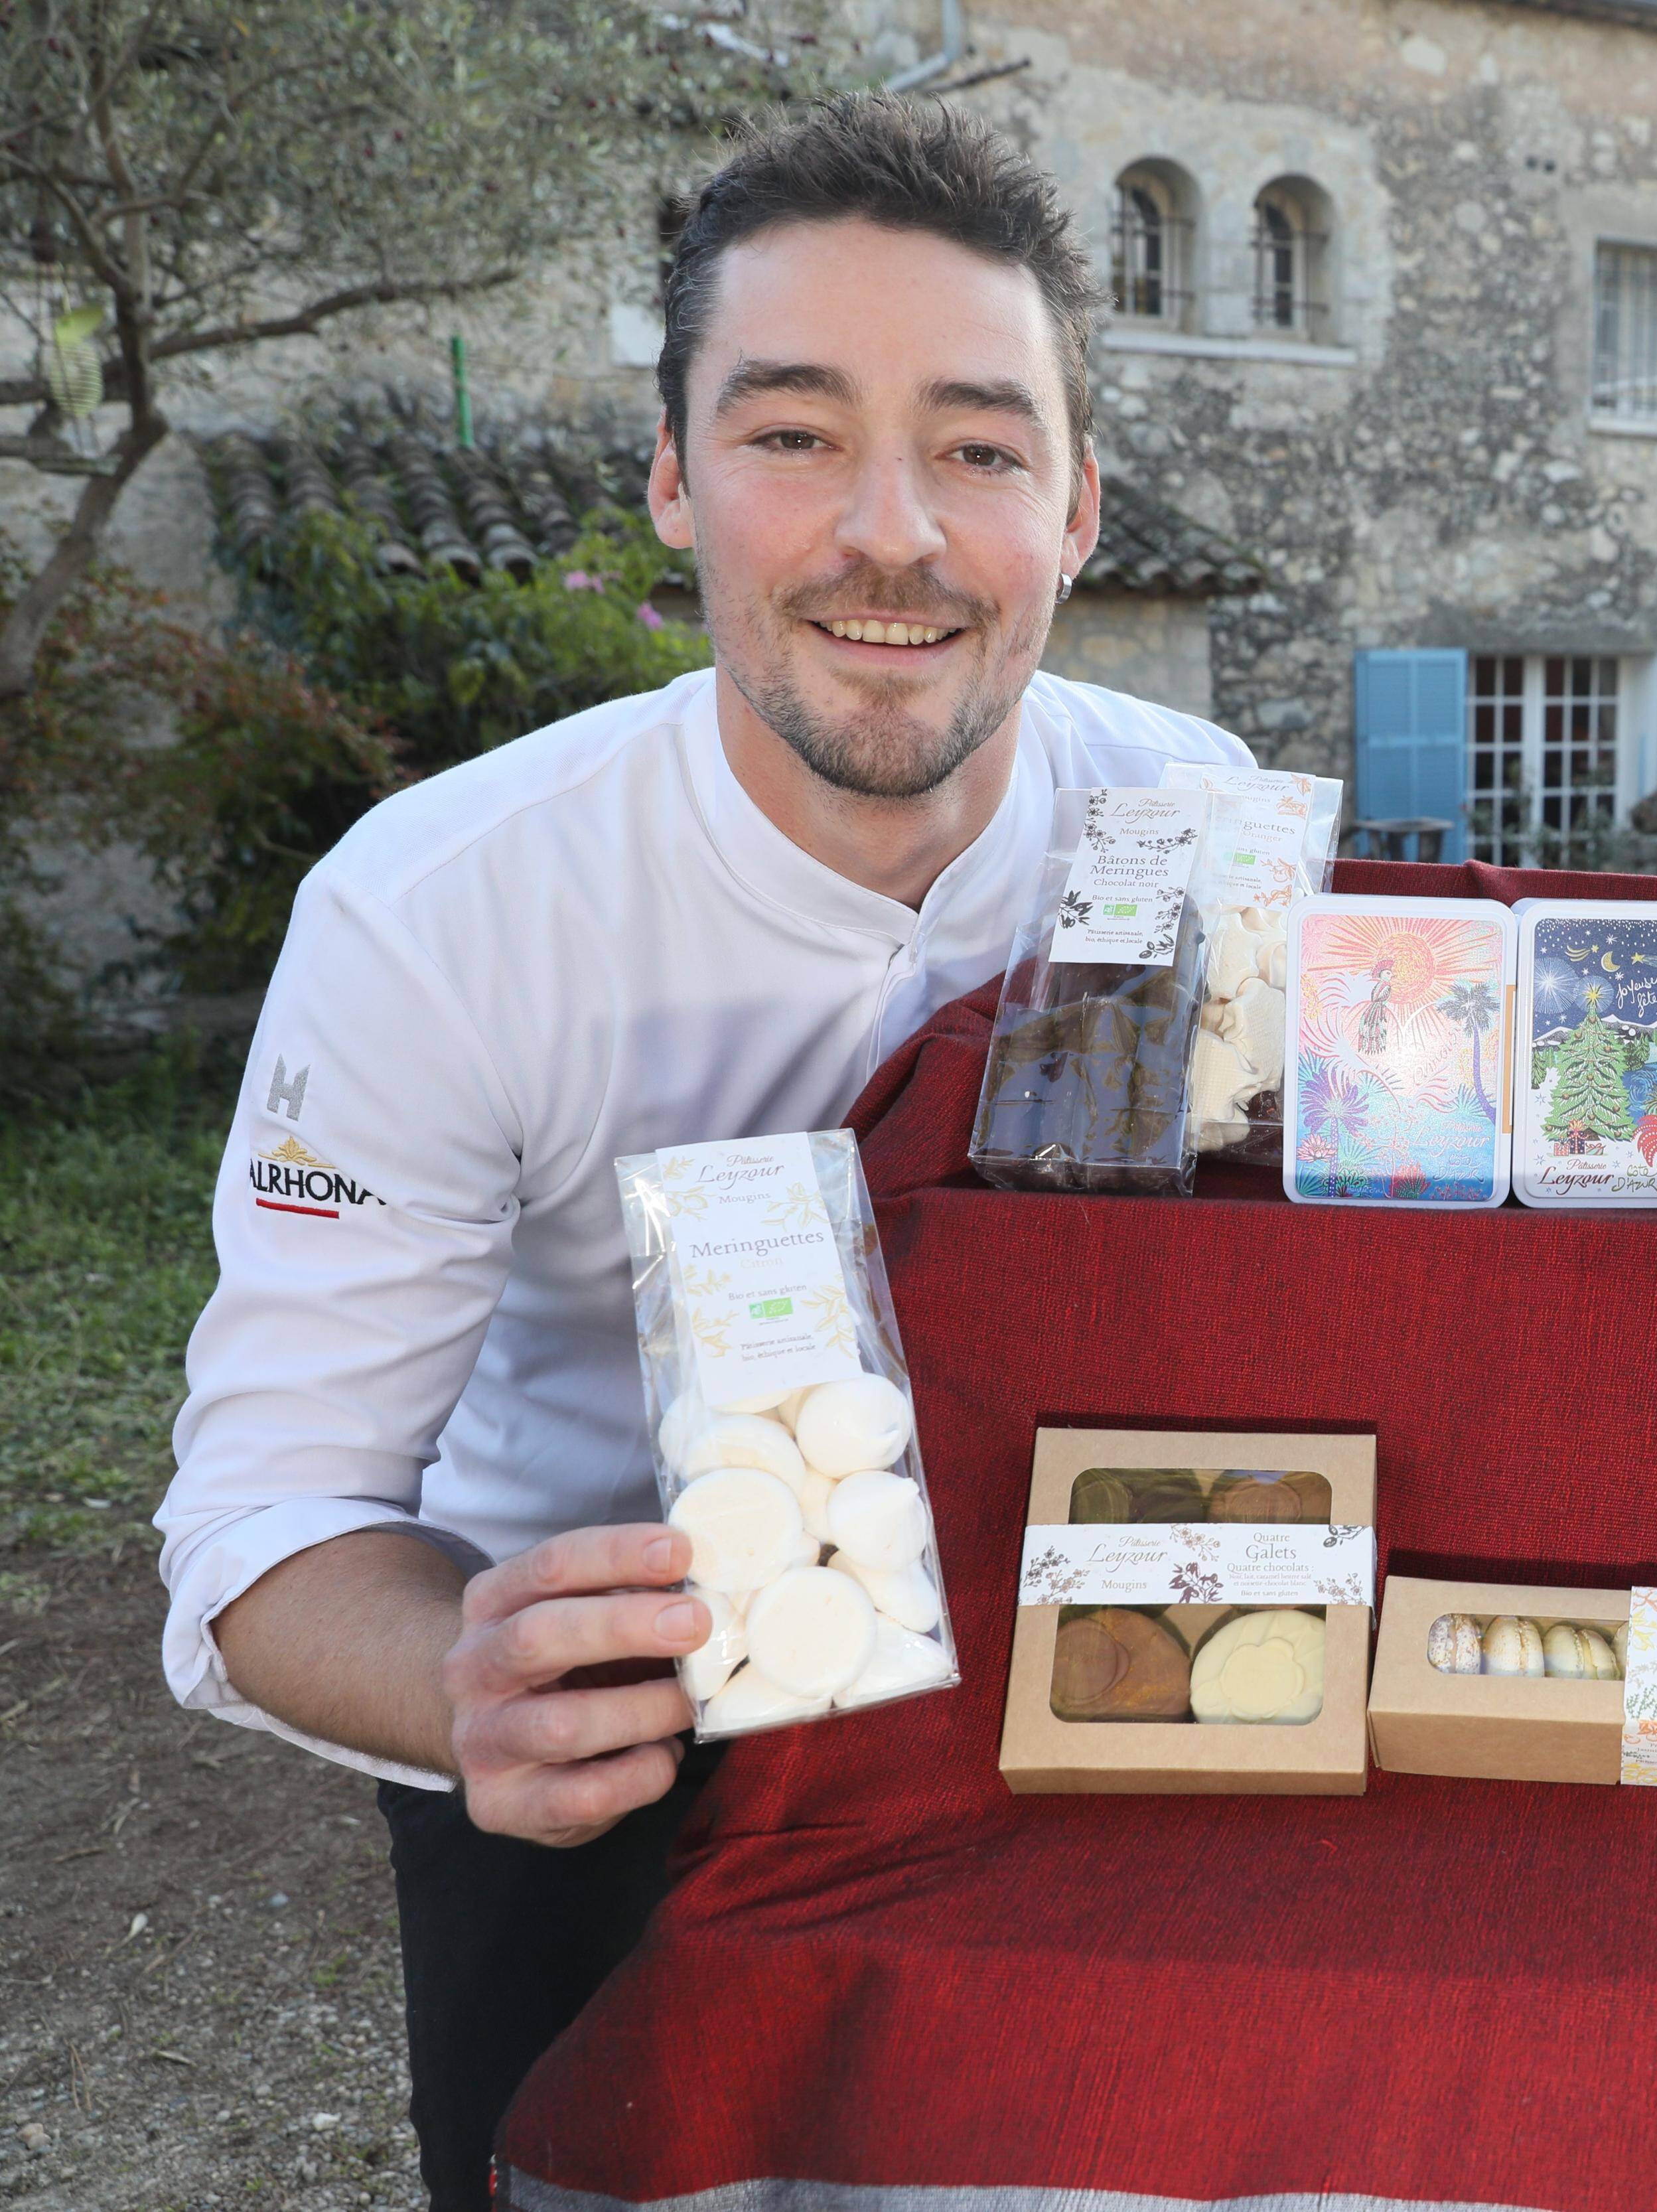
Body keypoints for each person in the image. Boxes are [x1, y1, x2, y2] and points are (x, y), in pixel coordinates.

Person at [152, 96, 1251, 2206]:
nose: (895, 533)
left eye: (981, 447)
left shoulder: (1187, 825)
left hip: (1082, 1709)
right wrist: (472, 1687)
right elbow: (270, 1520)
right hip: (604, 1748)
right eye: (793, 433)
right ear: (672, 478)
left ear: (1082, 508)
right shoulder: (441, 909)